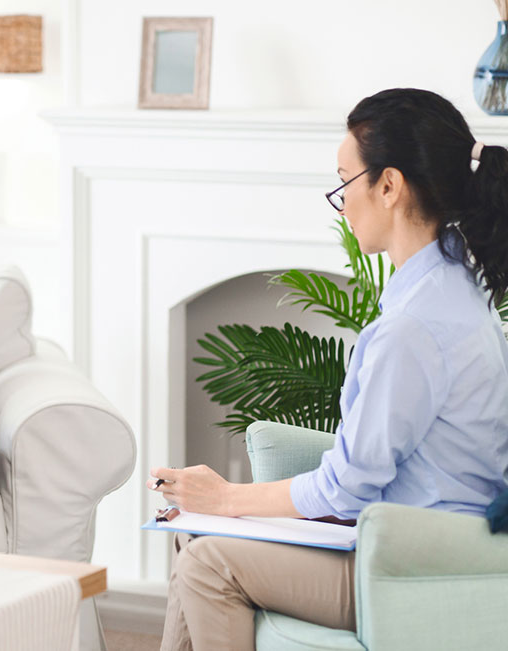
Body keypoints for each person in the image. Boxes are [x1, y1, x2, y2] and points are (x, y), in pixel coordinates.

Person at [149, 88, 508, 651]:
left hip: (413, 565)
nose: (342, 203)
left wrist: (228, 499)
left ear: (388, 186)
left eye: (345, 182)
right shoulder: (452, 282)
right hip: (420, 540)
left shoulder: (414, 327)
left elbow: (348, 485)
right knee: (191, 537)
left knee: (205, 563)